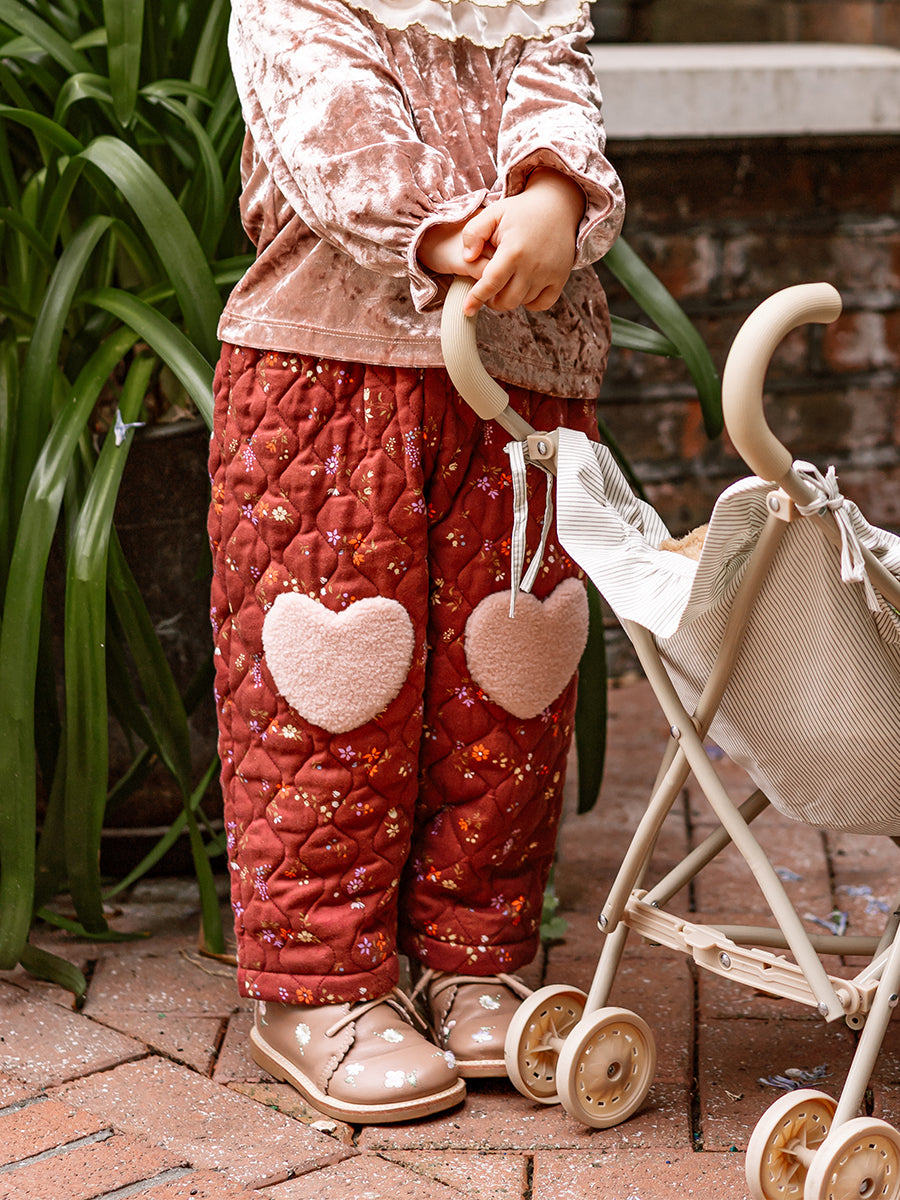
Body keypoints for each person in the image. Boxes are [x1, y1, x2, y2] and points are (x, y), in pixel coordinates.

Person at [208, 0, 625, 1124]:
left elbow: (557, 86)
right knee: (332, 694)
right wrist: (453, 232)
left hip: (522, 381)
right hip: (334, 382)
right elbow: (333, 119)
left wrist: (553, 194)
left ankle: (473, 953)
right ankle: (320, 984)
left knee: (508, 683)